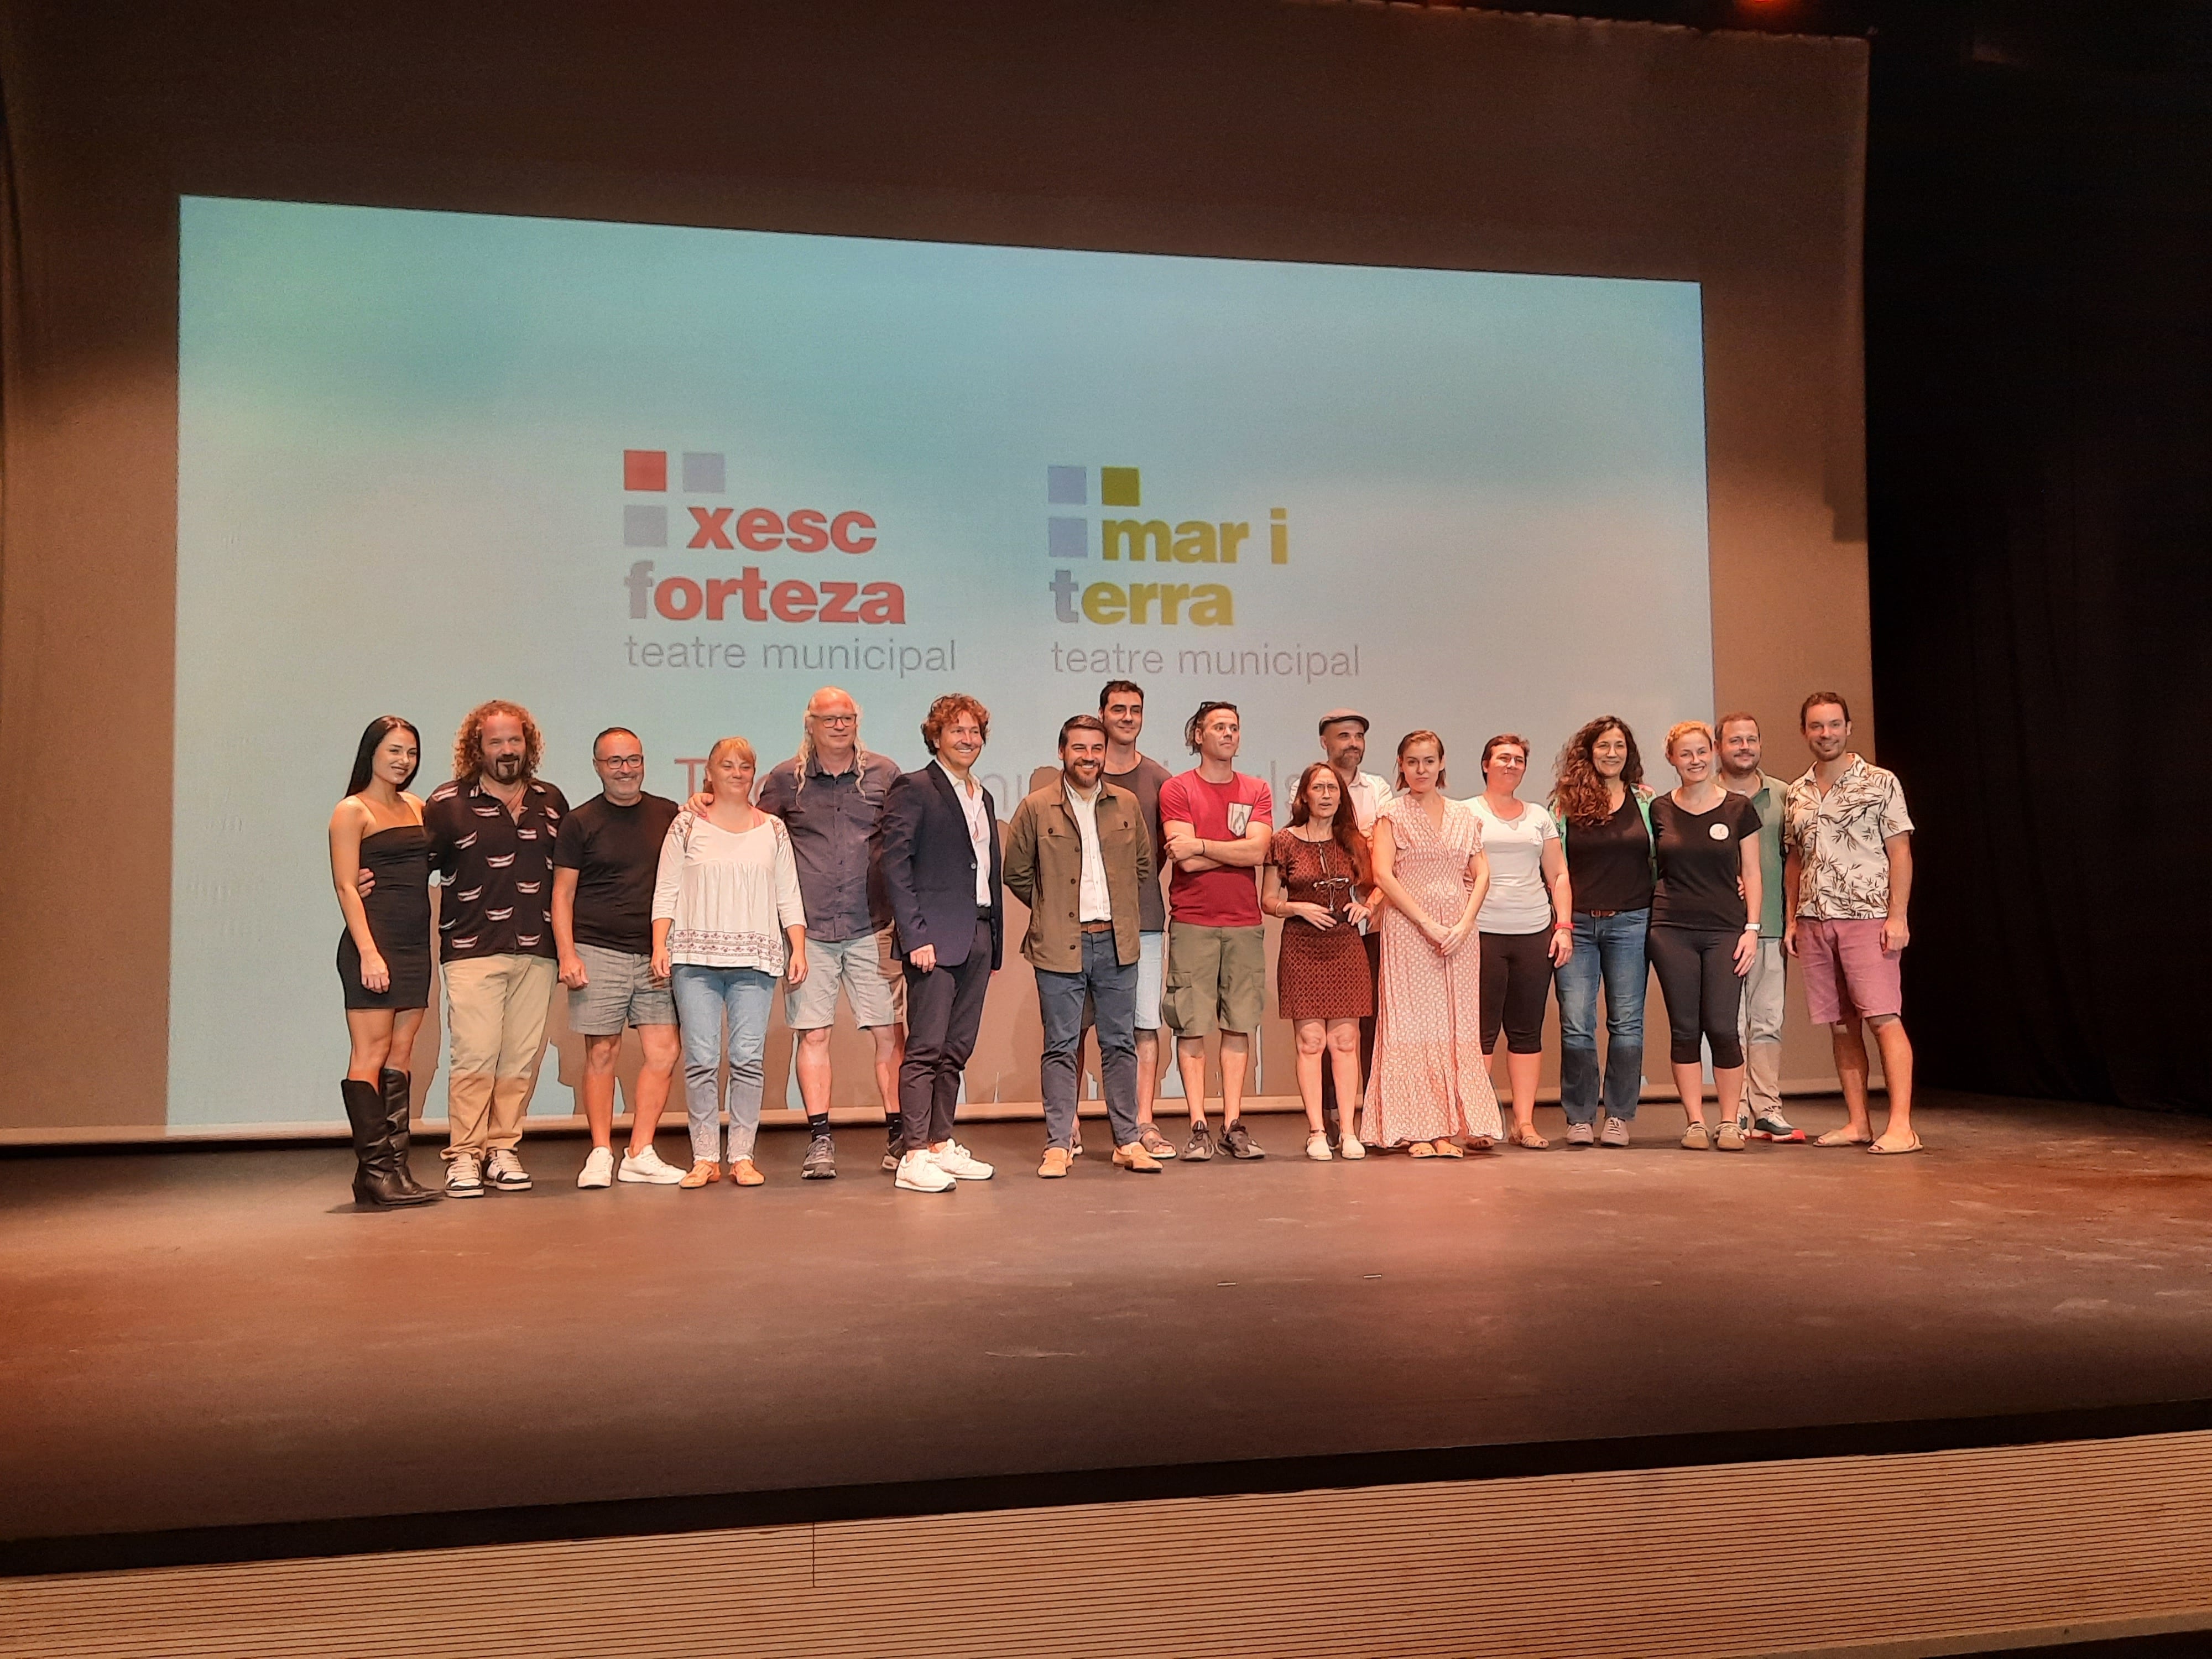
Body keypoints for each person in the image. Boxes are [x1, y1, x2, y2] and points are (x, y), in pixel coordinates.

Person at [755, 687, 907, 1181]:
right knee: (813, 1034)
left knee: (889, 1033)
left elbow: (909, 842)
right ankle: (820, 1139)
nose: (839, 726)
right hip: (810, 932)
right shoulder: (783, 781)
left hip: (874, 925)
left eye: (847, 718)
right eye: (829, 719)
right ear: (811, 724)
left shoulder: (886, 774)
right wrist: (706, 800)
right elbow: (753, 836)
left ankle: (899, 1136)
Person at [1003, 714, 1164, 1176]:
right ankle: (1058, 1144)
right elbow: (1017, 873)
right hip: (1059, 945)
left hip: (1117, 944)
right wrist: (1052, 907)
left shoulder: (1127, 804)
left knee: (1119, 1045)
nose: (1089, 757)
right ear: (1062, 752)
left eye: (1096, 748)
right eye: (1079, 748)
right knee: (1060, 1045)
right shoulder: (1036, 807)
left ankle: (1127, 1141)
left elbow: (1142, 867)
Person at [422, 701, 570, 1198]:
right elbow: (414, 865)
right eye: (496, 742)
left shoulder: (552, 801)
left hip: (538, 949)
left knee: (518, 1058)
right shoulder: (446, 803)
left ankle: (502, 1148)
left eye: (515, 741)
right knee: (475, 1054)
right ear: (477, 748)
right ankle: (463, 1155)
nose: (507, 751)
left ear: (528, 745)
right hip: (472, 948)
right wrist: (368, 875)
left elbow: (572, 877)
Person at [650, 736, 807, 1190]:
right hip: (694, 958)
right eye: (727, 766)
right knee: (700, 1058)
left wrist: (797, 947)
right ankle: (704, 1157)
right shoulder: (686, 825)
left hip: (755, 960)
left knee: (747, 1059)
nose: (737, 773)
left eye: (745, 766)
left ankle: (741, 1154)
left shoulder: (773, 830)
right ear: (709, 774)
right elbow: (666, 889)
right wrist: (660, 944)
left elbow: (788, 895)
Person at [1783, 693, 1919, 1154]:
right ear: (1805, 732)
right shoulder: (1798, 792)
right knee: (1841, 1026)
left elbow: (1900, 851)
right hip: (1814, 920)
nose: (1826, 734)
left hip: (1867, 917)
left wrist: (1898, 915)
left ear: (1848, 728)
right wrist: (1791, 921)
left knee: (1883, 1017)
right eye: (1817, 726)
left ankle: (1901, 1125)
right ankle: (1859, 1121)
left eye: (1834, 725)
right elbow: (1796, 861)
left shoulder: (1880, 783)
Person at [879, 694, 1003, 1194]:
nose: (968, 739)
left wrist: (993, 938)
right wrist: (916, 935)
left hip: (977, 932)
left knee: (956, 1049)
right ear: (936, 737)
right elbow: (895, 865)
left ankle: (939, 1143)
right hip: (933, 938)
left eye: (974, 732)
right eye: (957, 731)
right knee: (925, 1049)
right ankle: (911, 1154)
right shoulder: (914, 788)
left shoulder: (983, 795)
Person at [552, 727, 685, 1189]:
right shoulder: (580, 821)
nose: (626, 769)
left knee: (664, 1051)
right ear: (597, 766)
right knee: (602, 1051)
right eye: (615, 761)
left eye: (634, 760)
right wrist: (567, 953)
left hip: (655, 954)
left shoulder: (670, 814)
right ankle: (600, 1152)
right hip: (596, 949)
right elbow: (562, 894)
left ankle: (640, 1151)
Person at [1364, 731, 1501, 1155]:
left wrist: (1463, 923)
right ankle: (1416, 1129)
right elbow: (1385, 875)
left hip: (1458, 934)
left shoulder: (1464, 816)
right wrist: (1426, 923)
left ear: (1442, 764)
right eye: (1412, 762)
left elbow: (1482, 873)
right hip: (1409, 930)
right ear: (1401, 767)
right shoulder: (1391, 814)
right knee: (1410, 1025)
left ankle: (1445, 1128)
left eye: (1428, 761)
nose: (1421, 770)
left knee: (1454, 1025)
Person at [328, 716, 439, 1206]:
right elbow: (346, 885)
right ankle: (376, 1171)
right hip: (374, 944)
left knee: (401, 1055)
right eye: (394, 750)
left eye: (411, 753)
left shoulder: (417, 806)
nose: (403, 761)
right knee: (369, 1057)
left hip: (416, 944)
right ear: (371, 751)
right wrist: (370, 952)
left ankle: (393, 1171)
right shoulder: (351, 811)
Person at [1159, 701, 1275, 1161]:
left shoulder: (1257, 788)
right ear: (1198, 737)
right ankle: (1198, 1125)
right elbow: (1183, 860)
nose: (1229, 734)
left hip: (1244, 923)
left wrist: (1205, 845)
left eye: (1235, 727)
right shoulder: (1177, 788)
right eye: (1219, 727)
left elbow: (1259, 852)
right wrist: (1235, 850)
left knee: (1239, 1023)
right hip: (1193, 921)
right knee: (1191, 1024)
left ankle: (1233, 1123)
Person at [1647, 722, 1764, 1151]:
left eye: (1701, 752)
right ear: (1672, 759)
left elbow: (1751, 872)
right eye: (1685, 754)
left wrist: (1752, 929)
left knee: (1721, 1025)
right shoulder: (1658, 809)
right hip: (1671, 929)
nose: (1695, 760)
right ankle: (1695, 1121)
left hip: (1725, 930)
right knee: (1684, 1028)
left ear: (1713, 753)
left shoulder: (1738, 808)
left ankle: (1730, 1121)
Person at [1548, 716, 1655, 1148]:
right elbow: (1555, 871)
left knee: (1627, 1024)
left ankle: (1618, 1116)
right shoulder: (1564, 804)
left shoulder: (1647, 803)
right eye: (1603, 746)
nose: (1612, 753)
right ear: (1587, 752)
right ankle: (1579, 1115)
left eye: (1619, 746)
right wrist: (1563, 924)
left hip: (1632, 922)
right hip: (1578, 926)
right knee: (1577, 1023)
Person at [1261, 763, 1375, 1161]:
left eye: (1333, 788)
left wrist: (1367, 907)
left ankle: (1349, 1131)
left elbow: (1379, 887)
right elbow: (1268, 900)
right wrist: (1296, 908)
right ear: (1304, 796)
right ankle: (1315, 1131)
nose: (1326, 795)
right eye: (1318, 788)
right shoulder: (1284, 841)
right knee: (1311, 1042)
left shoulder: (1355, 842)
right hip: (1302, 947)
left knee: (1345, 1041)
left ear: (1342, 796)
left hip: (1346, 946)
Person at [1467, 733, 1573, 1150]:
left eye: (1518, 759)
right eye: (1503, 758)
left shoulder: (1538, 817)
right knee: (1482, 1033)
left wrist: (1562, 925)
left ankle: (1523, 1123)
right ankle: (1479, 1121)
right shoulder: (1465, 812)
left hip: (1533, 932)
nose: (1511, 765)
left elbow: (1558, 875)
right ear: (1486, 764)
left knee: (1527, 1032)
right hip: (1482, 933)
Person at [1099, 680, 1180, 1160]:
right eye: (1118, 709)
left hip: (1146, 919)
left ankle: (1143, 1121)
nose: (1127, 718)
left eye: (1135, 710)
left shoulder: (1159, 779)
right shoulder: (1083, 772)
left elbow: (1161, 854)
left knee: (1145, 1025)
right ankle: (1068, 1124)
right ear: (1103, 714)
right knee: (1083, 1026)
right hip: (1086, 926)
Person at [1717, 712, 1804, 1142]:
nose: (1745, 747)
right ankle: (1736, 1113)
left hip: (1768, 926)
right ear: (1720, 747)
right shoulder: (1704, 795)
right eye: (1736, 740)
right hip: (1719, 929)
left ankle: (1768, 1109)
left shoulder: (1785, 796)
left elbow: (1794, 861)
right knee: (1729, 1025)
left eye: (1752, 739)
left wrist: (1791, 919)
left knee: (1767, 1021)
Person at [1316, 708, 1392, 1146]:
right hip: (1329, 926)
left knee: (1372, 1024)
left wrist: (1362, 840)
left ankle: (1375, 1117)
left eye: (1359, 735)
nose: (1353, 743)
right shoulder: (1308, 786)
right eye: (1343, 736)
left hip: (1374, 921)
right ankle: (1330, 1118)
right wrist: (1361, 838)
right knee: (1329, 1029)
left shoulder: (1378, 788)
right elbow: (1320, 844)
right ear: (1325, 743)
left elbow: (1380, 846)